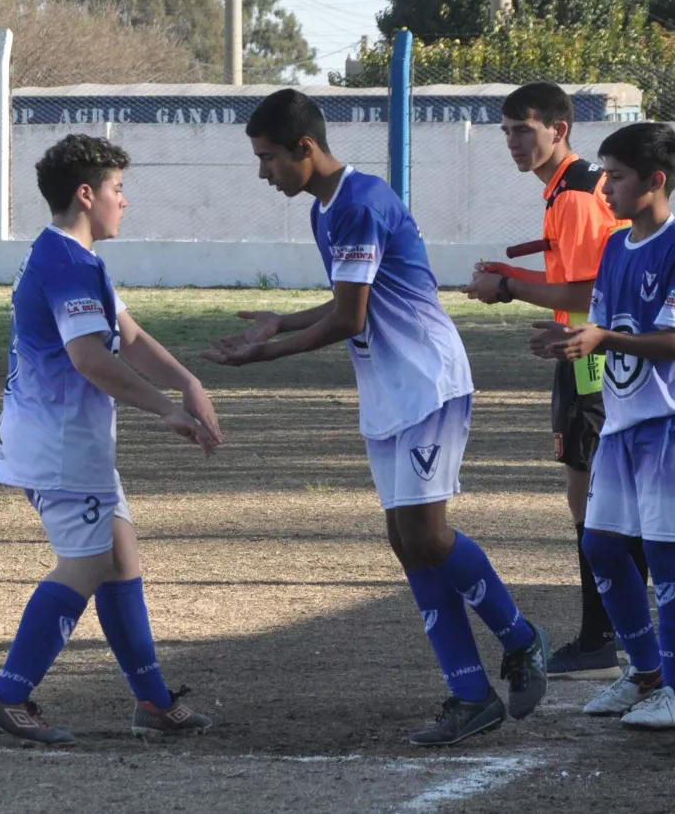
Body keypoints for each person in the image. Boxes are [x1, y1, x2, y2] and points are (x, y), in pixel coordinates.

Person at [202, 89, 549, 746]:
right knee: (408, 542)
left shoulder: (358, 203)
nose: (263, 172)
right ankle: (470, 693)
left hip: (425, 381)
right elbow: (344, 301)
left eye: (268, 157)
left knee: (429, 537)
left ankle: (522, 638)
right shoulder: (327, 209)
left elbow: (350, 318)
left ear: (305, 148)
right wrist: (282, 318)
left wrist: (265, 353)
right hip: (389, 389)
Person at [0, 134, 223, 745]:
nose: (124, 201)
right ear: (86, 195)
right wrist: (164, 408)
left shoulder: (77, 260)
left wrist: (187, 381)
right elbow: (89, 358)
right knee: (88, 564)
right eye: (117, 189)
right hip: (60, 445)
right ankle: (8, 694)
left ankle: (154, 702)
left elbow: (127, 336)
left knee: (120, 559)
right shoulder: (66, 263)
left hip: (71, 441)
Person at [529, 122, 675, 729]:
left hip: (674, 424)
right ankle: (645, 676)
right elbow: (609, 323)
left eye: (616, 175)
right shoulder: (616, 247)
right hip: (623, 424)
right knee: (602, 547)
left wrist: (602, 337)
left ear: (655, 181)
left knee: (665, 556)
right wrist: (575, 340)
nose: (605, 186)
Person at [463, 81, 648, 681]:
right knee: (599, 493)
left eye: (525, 130)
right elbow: (581, 281)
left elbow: (590, 291)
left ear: (559, 129)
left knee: (592, 495)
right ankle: (618, 633)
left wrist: (509, 287)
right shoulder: (572, 186)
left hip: (594, 362)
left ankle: (606, 637)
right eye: (507, 131)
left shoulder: (573, 194)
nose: (514, 142)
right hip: (593, 354)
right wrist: (513, 274)